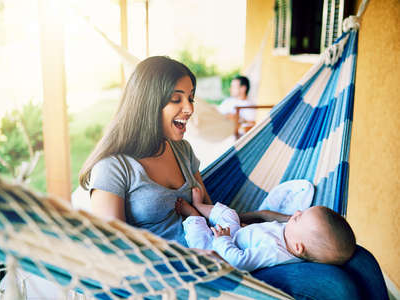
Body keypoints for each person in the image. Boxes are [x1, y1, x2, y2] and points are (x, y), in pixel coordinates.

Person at [79, 56, 388, 300]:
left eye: (191, 97)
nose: (189, 108)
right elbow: (112, 251)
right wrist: (179, 264)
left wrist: (263, 217)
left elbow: (212, 214)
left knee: (361, 260)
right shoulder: (113, 168)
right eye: (177, 99)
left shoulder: (182, 151)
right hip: (187, 275)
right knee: (337, 287)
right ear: (147, 102)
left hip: (226, 251)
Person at [176, 187, 356, 272]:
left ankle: (192, 213)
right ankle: (201, 205)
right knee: (231, 215)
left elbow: (238, 261)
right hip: (237, 234)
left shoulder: (274, 252)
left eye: (299, 218)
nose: (297, 212)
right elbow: (266, 220)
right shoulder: (292, 238)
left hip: (218, 250)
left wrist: (223, 240)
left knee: (198, 236)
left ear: (299, 247)